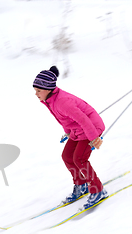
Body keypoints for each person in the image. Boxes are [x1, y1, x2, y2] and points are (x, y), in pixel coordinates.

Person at [33, 66, 108, 210]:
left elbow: (84, 120)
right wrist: (68, 132)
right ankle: (81, 185)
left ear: (48, 89)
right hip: (78, 130)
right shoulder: (50, 100)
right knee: (67, 156)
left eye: (38, 91)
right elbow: (64, 119)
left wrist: (94, 138)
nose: (36, 94)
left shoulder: (62, 101)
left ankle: (98, 190)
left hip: (90, 127)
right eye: (35, 90)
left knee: (79, 158)